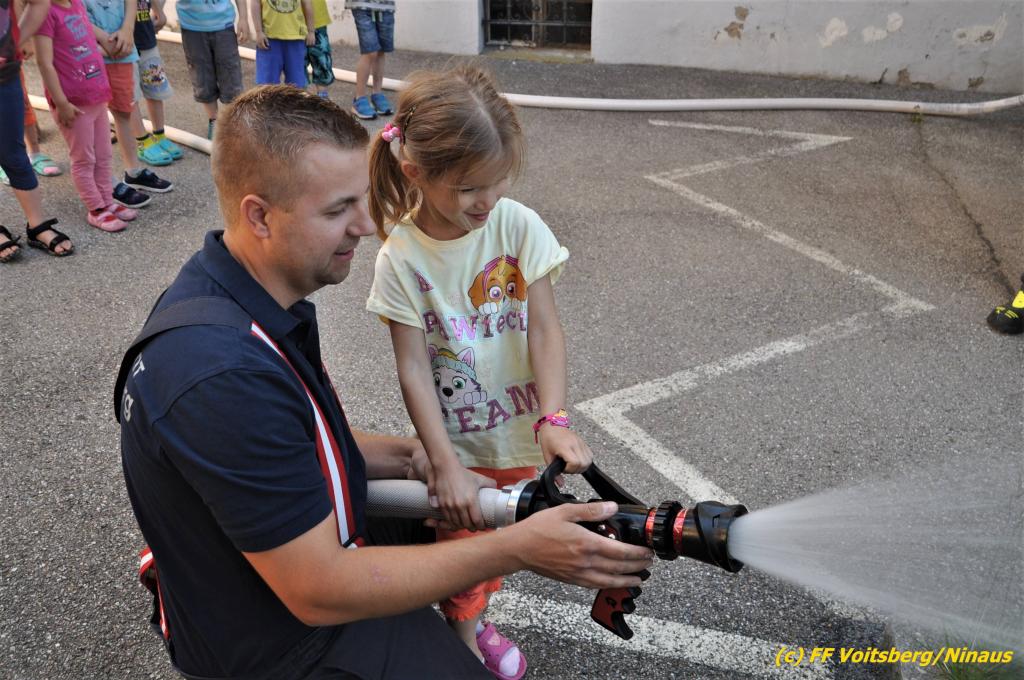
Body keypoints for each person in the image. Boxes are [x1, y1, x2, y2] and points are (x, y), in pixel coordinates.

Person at [117, 85, 652, 680]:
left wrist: (415, 456)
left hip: (289, 577)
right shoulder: (220, 377)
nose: (369, 225)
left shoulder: (233, 298)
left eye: (363, 200)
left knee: (458, 513)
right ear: (259, 216)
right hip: (282, 642)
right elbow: (318, 591)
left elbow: (299, 444)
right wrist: (519, 547)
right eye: (337, 210)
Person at [365, 65, 592, 680]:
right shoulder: (401, 258)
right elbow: (413, 369)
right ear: (415, 171)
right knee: (464, 549)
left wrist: (553, 417)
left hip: (520, 435)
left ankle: (471, 621)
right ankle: (461, 648)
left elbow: (544, 328)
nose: (487, 202)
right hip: (461, 450)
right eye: (469, 189)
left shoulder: (516, 225)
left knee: (496, 546)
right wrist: (442, 463)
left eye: (498, 182)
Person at [33, 0, 134, 231]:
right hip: (73, 102)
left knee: (104, 154)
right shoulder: (45, 13)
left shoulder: (77, 4)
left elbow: (88, 38)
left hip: (95, 94)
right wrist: (61, 102)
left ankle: (107, 200)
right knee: (84, 159)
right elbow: (44, 63)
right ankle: (96, 208)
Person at [1, 0, 74, 260]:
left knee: (14, 153)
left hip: (5, 76)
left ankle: (37, 225)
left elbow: (39, 2)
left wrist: (17, 38)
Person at [174, 0, 248, 139]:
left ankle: (233, 121)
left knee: (231, 76)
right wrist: (158, 10)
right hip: (192, 25)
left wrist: (243, 18)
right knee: (202, 77)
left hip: (223, 24)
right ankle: (214, 121)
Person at [344, 0, 392, 120]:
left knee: (381, 50)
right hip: (362, 5)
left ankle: (377, 94)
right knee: (370, 51)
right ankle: (359, 98)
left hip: (385, 5)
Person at [250, 0, 313, 87]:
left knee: (296, 84)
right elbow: (255, 3)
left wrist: (311, 31)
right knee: (267, 84)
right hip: (269, 40)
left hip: (296, 39)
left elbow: (307, 4)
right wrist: (258, 32)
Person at [304, 0, 333, 98]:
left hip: (317, 19)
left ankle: (322, 96)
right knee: (297, 63)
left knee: (321, 60)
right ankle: (303, 95)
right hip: (293, 23)